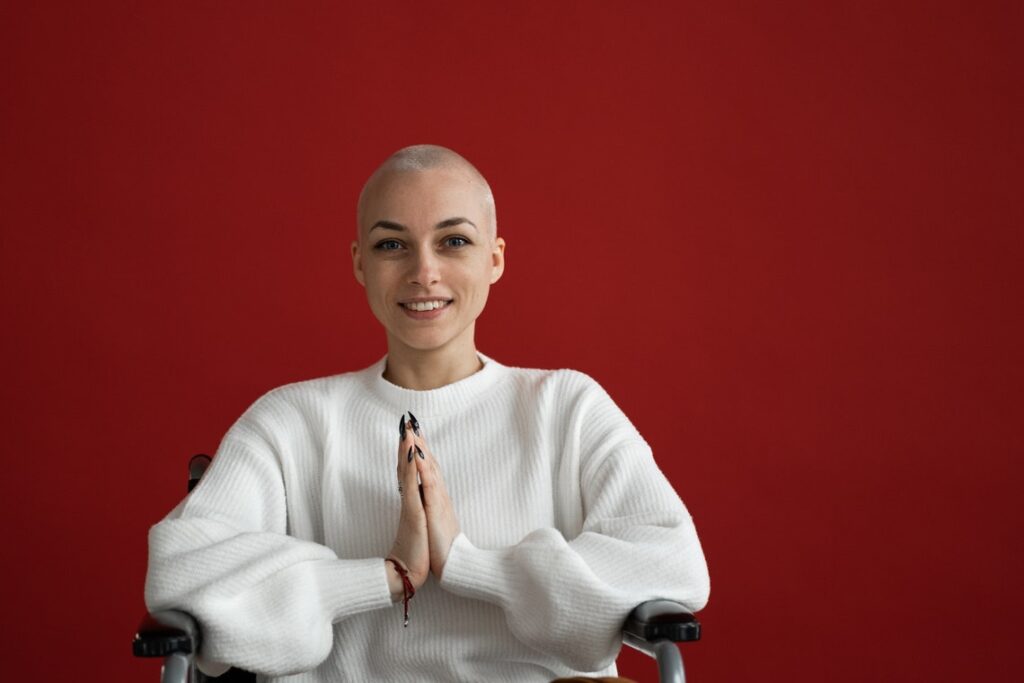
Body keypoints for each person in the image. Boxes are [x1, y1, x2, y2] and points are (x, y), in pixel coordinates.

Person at [144, 144, 710, 682]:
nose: (424, 271)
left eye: (454, 242)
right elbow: (179, 575)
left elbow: (674, 565)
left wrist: (470, 565)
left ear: (495, 258)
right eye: (392, 245)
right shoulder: (290, 421)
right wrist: (384, 576)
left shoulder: (567, 409)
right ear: (360, 263)